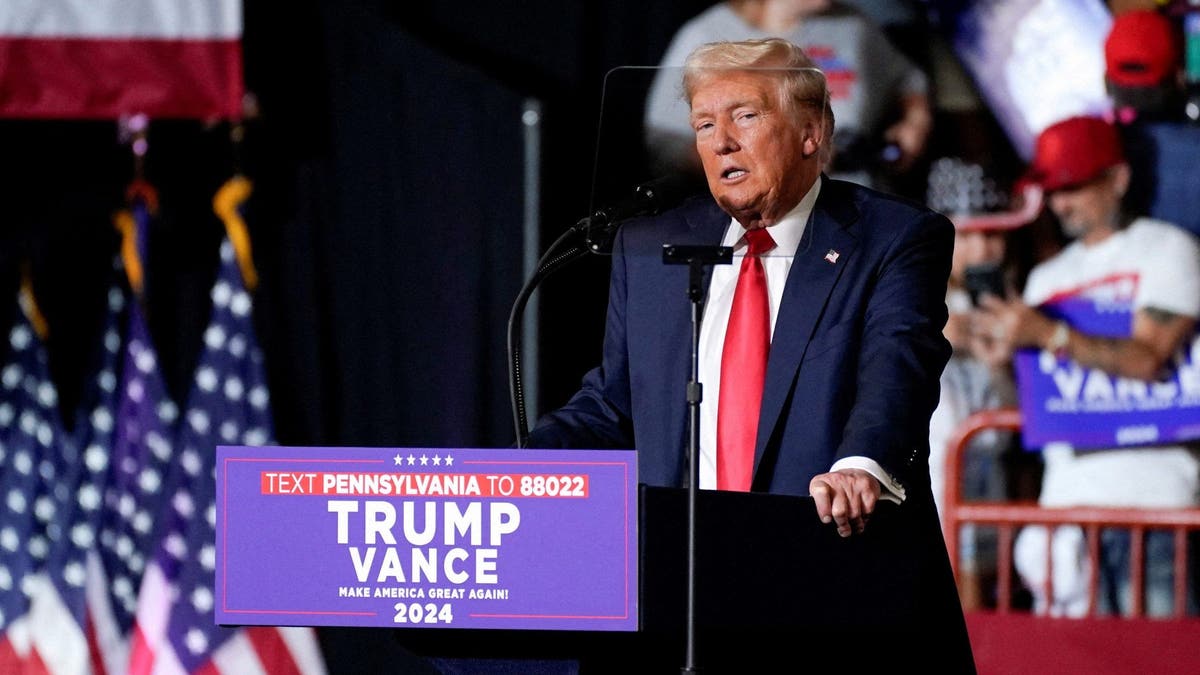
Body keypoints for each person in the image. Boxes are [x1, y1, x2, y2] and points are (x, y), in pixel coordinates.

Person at [528, 37, 971, 669]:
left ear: (811, 132)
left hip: (827, 585)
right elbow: (614, 402)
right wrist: (516, 475)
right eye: (705, 124)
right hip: (676, 598)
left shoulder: (892, 239)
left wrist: (862, 465)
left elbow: (897, 367)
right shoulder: (651, 245)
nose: (721, 142)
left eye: (745, 115)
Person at [973, 115, 1200, 617]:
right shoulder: (1046, 279)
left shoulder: (1169, 250)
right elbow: (1028, 409)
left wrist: (1048, 335)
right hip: (1068, 514)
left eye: (1074, 186)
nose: (1060, 204)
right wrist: (1000, 368)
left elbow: (1150, 359)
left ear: (1118, 179)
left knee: (1163, 662)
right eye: (1052, 191)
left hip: (1158, 507)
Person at [642, 0, 932, 194]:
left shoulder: (854, 27)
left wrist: (915, 121)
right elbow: (667, 138)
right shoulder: (708, 34)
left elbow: (907, 77)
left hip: (854, 197)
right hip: (758, 210)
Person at [924, 157, 1036, 609]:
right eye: (967, 235)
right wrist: (936, 332)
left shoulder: (1021, 306)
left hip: (987, 473)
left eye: (993, 234)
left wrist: (1002, 362)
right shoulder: (907, 292)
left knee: (982, 601)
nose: (983, 249)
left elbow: (1022, 414)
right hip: (924, 476)